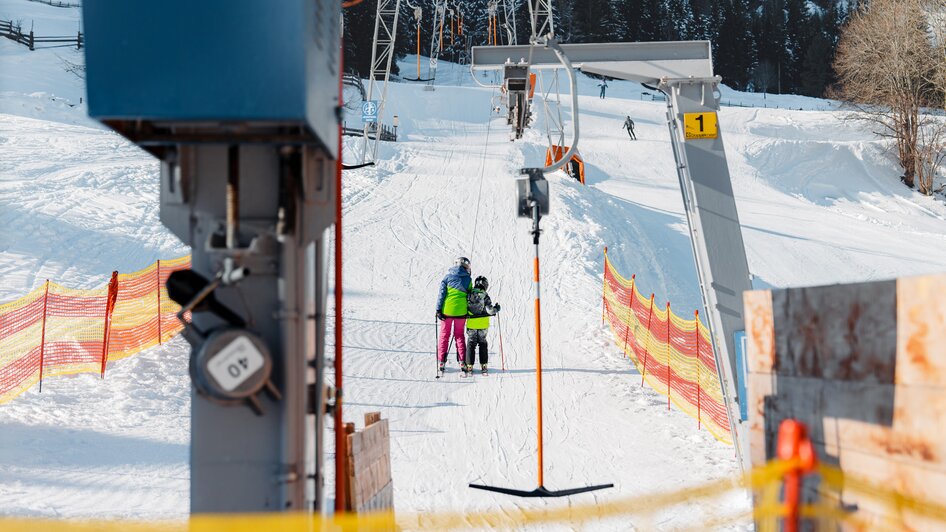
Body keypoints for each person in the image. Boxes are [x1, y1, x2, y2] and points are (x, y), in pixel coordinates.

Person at [436, 256, 472, 374]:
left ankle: (441, 361)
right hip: (461, 312)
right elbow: (469, 297)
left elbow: (441, 294)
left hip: (447, 311)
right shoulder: (468, 279)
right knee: (459, 336)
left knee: (444, 335)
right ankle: (462, 362)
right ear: (466, 267)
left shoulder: (447, 277)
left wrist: (438, 309)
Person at [464, 276, 500, 376]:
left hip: (471, 323)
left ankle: (469, 365)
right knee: (482, 343)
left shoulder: (469, 294)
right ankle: (484, 365)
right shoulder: (485, 295)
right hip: (483, 323)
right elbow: (490, 310)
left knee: (471, 343)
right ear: (485, 285)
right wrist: (496, 309)